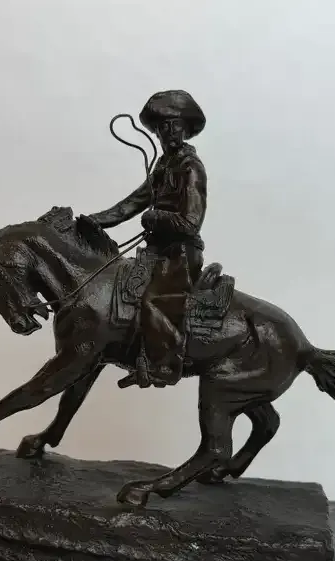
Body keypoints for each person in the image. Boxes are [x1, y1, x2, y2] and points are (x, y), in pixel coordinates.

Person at [78, 89, 207, 387]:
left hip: (180, 255)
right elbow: (130, 204)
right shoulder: (163, 166)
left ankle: (164, 365)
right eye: (162, 127)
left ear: (186, 128)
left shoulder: (191, 167)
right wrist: (91, 221)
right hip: (157, 254)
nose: (168, 132)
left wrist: (155, 217)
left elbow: (191, 223)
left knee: (152, 301)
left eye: (175, 125)